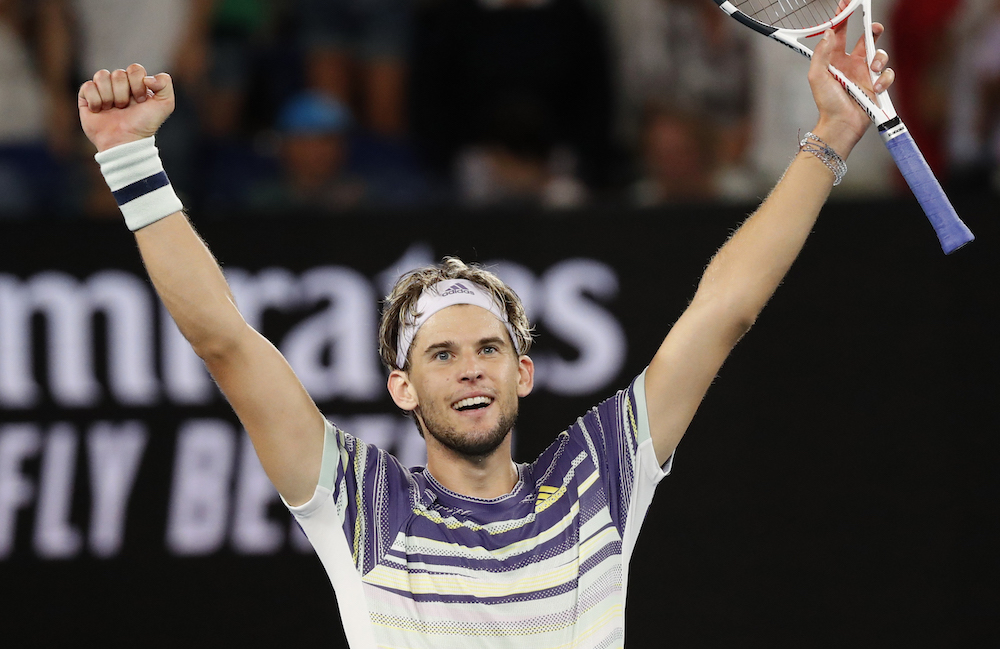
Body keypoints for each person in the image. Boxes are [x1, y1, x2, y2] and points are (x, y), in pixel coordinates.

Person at [75, 17, 895, 649]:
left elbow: (723, 311)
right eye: (442, 353)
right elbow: (225, 341)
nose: (470, 369)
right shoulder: (360, 501)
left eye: (488, 349)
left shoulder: (596, 479)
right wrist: (130, 159)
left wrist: (830, 136)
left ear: (522, 372)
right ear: (403, 387)